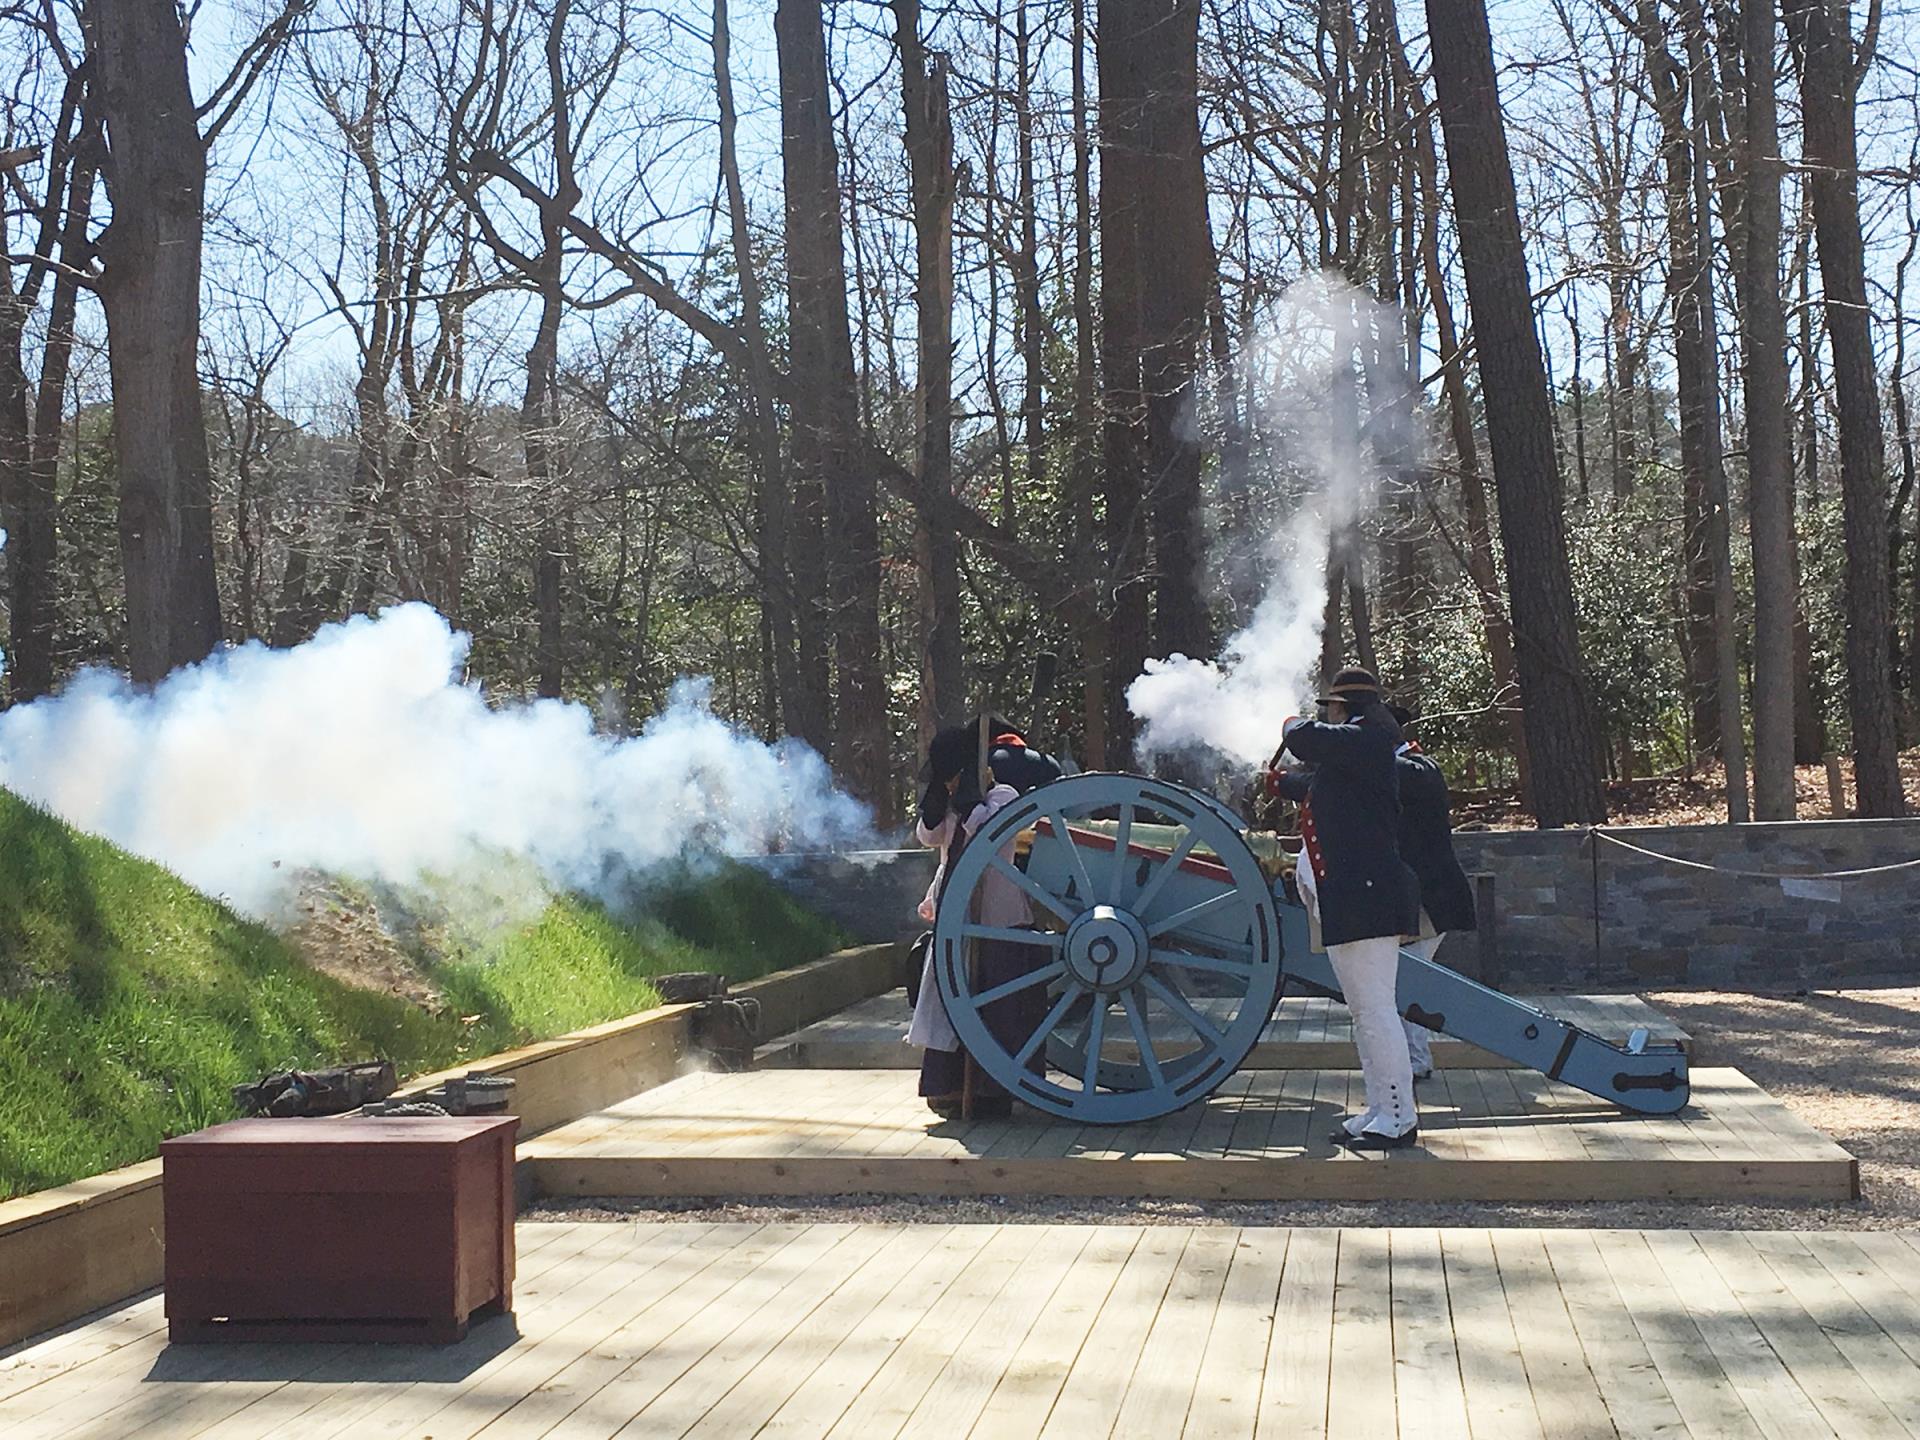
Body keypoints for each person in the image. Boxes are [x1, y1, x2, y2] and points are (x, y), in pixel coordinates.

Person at [1265, 668, 1423, 1150]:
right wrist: (1280, 782)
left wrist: (1290, 724)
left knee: (1375, 1012)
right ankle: (1380, 1107)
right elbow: (1316, 782)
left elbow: (1307, 739)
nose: (1325, 716)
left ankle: (1398, 1116)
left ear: (1344, 709)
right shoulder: (1358, 751)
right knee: (1365, 1013)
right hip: (1353, 897)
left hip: (1366, 896)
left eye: (1330, 708)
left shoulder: (1369, 739)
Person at [908, 720, 1060, 1118]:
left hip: (998, 915)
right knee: (949, 1005)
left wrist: (973, 804)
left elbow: (992, 832)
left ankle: (994, 1092)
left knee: (1001, 1009)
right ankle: (950, 1089)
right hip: (955, 918)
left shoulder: (1004, 795)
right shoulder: (952, 797)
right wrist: (938, 804)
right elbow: (929, 837)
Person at [1388, 703, 1477, 1080]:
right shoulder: (1397, 768)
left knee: (1406, 982)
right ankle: (1414, 1059)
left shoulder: (1417, 769)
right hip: (1412, 896)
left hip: (1429, 897)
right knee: (1402, 981)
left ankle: (1416, 1060)